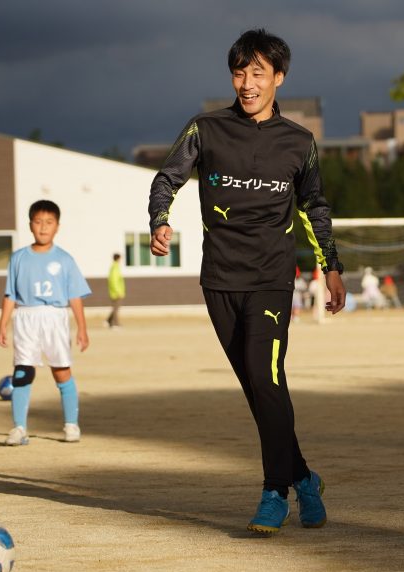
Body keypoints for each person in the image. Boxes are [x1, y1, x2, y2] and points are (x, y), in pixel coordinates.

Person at [148, 29, 346, 535]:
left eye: (257, 72)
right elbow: (167, 177)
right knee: (258, 389)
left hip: (271, 279)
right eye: (239, 72)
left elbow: (314, 206)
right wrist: (160, 219)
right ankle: (304, 478)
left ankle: (274, 490)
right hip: (218, 280)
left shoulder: (299, 143)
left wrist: (331, 266)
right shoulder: (205, 129)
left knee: (266, 377)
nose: (247, 83)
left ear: (278, 77)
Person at [0, 200, 91, 446]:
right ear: (30, 225)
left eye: (48, 222)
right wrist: (3, 324)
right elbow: (10, 295)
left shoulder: (65, 259)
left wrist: (82, 328)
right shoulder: (18, 258)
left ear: (57, 226)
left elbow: (75, 296)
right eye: (38, 222)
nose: (43, 227)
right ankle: (19, 428)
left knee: (61, 371)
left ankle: (71, 425)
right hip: (26, 316)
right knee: (22, 371)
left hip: (54, 317)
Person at [107, 252, 125, 328]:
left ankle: (108, 321)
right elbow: (114, 281)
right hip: (116, 292)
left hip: (115, 291)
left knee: (115, 308)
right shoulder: (115, 267)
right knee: (116, 309)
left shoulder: (114, 267)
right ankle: (115, 324)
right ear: (118, 258)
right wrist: (118, 291)